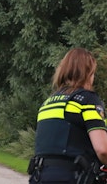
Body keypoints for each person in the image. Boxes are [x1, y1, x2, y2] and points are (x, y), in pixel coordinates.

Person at [28, 48, 107, 184]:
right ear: (87, 73)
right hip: (73, 177)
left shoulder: (47, 103)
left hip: (41, 176)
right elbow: (102, 150)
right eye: (93, 73)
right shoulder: (87, 100)